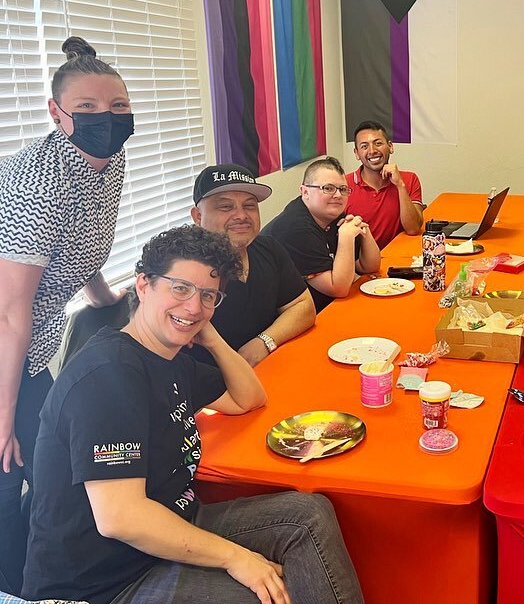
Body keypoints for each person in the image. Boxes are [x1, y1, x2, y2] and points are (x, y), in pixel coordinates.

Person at [22, 225, 363, 604]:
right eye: (180, 288)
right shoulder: (109, 375)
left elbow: (249, 398)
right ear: (143, 285)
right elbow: (120, 517)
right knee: (260, 594)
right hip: (106, 581)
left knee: (307, 515)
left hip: (175, 523)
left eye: (208, 295)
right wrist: (236, 558)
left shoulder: (170, 359)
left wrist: (209, 335)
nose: (194, 306)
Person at [0, 37, 131, 593]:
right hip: (9, 337)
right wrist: (4, 419)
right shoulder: (39, 184)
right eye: (89, 111)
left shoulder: (110, 158)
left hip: (32, 330)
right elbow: (10, 313)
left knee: (53, 468)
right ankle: (19, 587)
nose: (107, 121)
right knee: (15, 471)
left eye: (118, 108)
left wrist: (101, 295)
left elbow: (77, 243)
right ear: (57, 114)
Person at [190, 164, 315, 367]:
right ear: (197, 216)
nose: (241, 215)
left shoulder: (269, 248)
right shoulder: (184, 269)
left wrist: (263, 342)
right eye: (226, 206)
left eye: (249, 205)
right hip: (212, 389)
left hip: (273, 368)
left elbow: (303, 307)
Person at [262, 156, 380, 312]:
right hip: (279, 318)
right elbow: (338, 289)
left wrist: (364, 231)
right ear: (305, 192)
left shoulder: (332, 215)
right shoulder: (296, 229)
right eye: (328, 188)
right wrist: (346, 238)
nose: (338, 195)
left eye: (343, 189)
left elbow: (369, 266)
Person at [345, 121, 424, 248]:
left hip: (397, 260)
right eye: (364, 146)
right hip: (360, 264)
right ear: (356, 153)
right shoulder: (343, 186)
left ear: (390, 147)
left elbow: (413, 229)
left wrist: (400, 185)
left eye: (378, 143)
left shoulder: (409, 179)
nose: (372, 151)